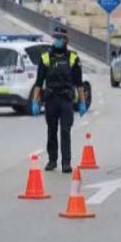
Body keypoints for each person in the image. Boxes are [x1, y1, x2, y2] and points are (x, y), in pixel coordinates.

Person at [31, 27, 86, 174]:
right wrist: (35, 101)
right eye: (55, 37)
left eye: (60, 38)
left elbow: (79, 83)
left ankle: (66, 162)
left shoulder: (73, 58)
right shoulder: (45, 58)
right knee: (52, 130)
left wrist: (82, 102)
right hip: (50, 99)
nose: (57, 40)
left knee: (65, 131)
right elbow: (39, 82)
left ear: (65, 40)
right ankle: (52, 160)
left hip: (66, 100)